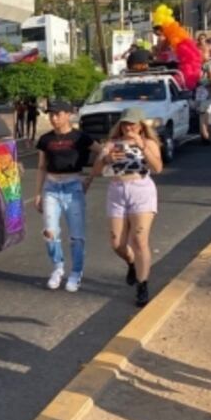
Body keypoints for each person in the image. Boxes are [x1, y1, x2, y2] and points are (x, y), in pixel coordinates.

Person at [89, 107, 163, 307]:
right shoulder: (112, 144)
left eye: (133, 124)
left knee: (139, 239)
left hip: (140, 189)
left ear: (140, 126)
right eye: (125, 123)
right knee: (117, 243)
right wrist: (106, 159)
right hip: (117, 190)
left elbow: (157, 168)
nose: (129, 127)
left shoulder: (148, 143)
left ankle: (142, 284)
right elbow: (96, 171)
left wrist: (142, 147)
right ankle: (132, 262)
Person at [34, 100, 95, 292]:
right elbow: (42, 166)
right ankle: (58, 267)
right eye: (51, 114)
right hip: (51, 187)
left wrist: (90, 178)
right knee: (50, 232)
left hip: (73, 186)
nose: (53, 118)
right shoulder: (45, 140)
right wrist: (38, 193)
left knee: (76, 236)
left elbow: (103, 153)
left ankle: (76, 272)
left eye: (57, 114)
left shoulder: (80, 137)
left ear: (68, 114)